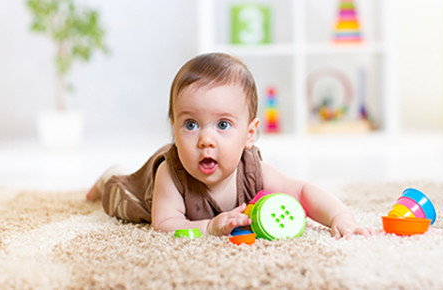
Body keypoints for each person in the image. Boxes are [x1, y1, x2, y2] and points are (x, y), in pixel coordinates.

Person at [86, 52, 374, 238]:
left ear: (250, 134)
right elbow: (164, 225)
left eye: (223, 125)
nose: (205, 140)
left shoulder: (251, 170)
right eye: (190, 125)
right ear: (174, 128)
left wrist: (340, 216)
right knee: (117, 200)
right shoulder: (170, 175)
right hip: (140, 190)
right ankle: (109, 176)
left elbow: (302, 191)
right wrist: (209, 227)